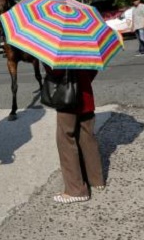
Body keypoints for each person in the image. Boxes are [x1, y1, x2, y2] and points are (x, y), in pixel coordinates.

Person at [45, 65, 105, 203]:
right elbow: (93, 69)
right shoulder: (86, 45)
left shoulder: (62, 48)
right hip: (86, 94)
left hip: (68, 97)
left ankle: (76, 190)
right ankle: (96, 180)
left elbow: (56, 71)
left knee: (65, 139)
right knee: (87, 137)